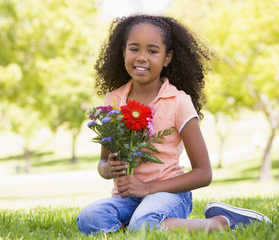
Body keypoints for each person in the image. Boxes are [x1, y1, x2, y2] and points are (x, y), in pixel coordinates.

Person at [76, 14, 271, 235]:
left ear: (167, 57)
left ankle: (220, 223)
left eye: (152, 51)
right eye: (134, 49)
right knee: (89, 217)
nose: (141, 57)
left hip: (170, 195)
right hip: (128, 199)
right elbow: (103, 163)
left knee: (144, 223)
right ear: (122, 52)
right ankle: (141, 227)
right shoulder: (113, 100)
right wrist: (109, 168)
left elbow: (204, 173)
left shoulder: (178, 102)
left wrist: (148, 188)